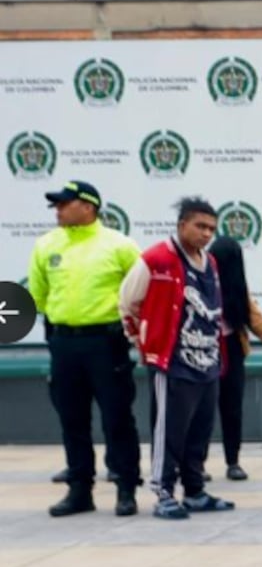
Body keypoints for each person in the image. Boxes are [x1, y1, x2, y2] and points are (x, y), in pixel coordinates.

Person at [29, 180, 142, 517]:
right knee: (72, 419)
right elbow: (38, 295)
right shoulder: (46, 245)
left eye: (64, 204)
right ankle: (80, 490)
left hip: (106, 343)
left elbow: (140, 292)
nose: (58, 210)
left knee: (117, 417)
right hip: (64, 343)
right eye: (57, 205)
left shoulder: (119, 246)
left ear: (88, 207)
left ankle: (125, 488)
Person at [119, 197, 236, 520]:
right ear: (181, 224)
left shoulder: (209, 262)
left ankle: (195, 491)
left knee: (200, 430)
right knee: (168, 430)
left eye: (211, 228)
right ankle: (163, 492)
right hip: (173, 362)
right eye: (200, 226)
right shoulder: (156, 259)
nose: (206, 233)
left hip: (208, 361)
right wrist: (145, 342)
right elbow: (127, 303)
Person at [203, 236, 262, 481]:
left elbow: (256, 320)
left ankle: (233, 462)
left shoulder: (236, 287)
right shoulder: (198, 280)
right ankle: (195, 463)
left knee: (232, 408)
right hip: (201, 349)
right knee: (202, 410)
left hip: (231, 350)